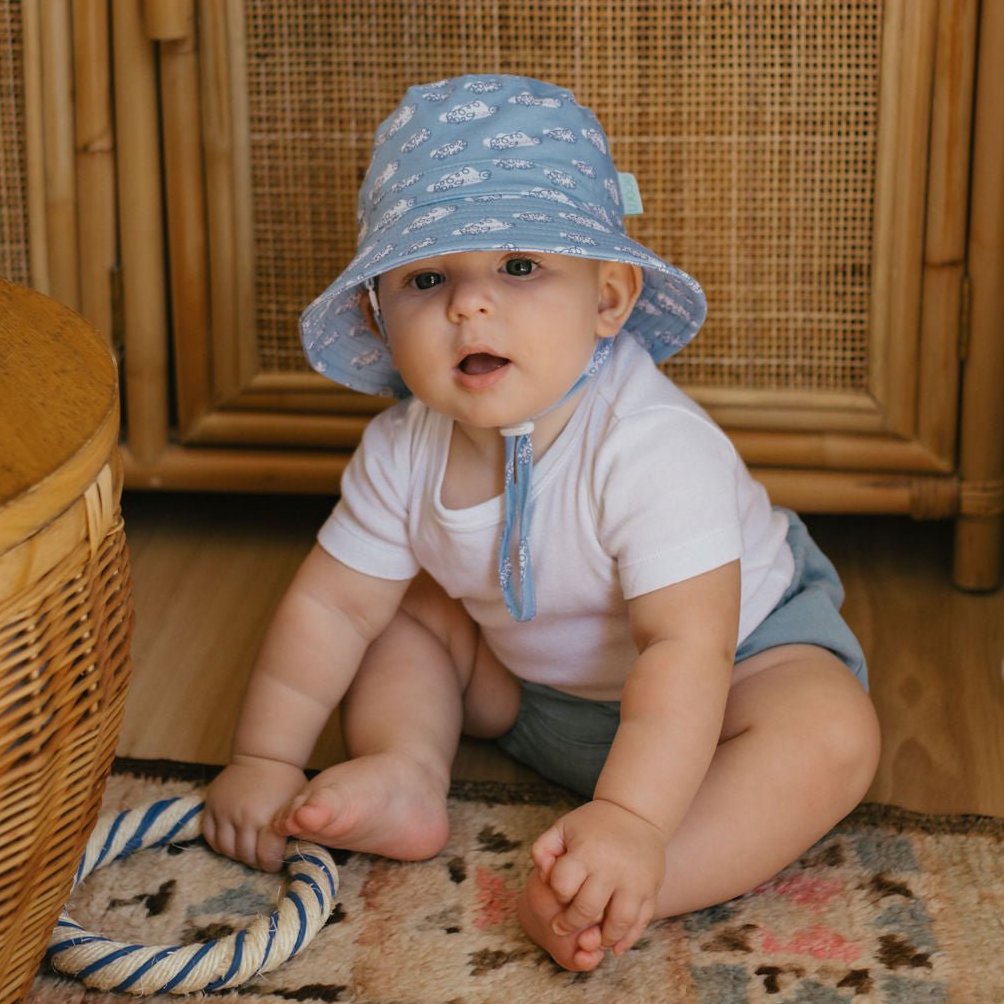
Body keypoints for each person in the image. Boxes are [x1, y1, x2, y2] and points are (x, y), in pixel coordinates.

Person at [203, 74, 880, 972]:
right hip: (531, 686)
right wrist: (263, 757)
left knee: (831, 733)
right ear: (378, 313)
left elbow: (687, 650)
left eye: (520, 266)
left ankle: (632, 878)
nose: (469, 304)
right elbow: (329, 611)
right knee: (402, 616)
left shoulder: (650, 445)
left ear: (607, 299)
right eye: (427, 277)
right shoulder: (403, 448)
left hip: (730, 681)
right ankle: (408, 768)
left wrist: (634, 818)